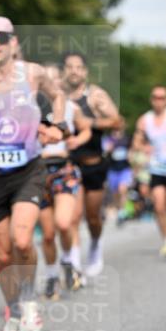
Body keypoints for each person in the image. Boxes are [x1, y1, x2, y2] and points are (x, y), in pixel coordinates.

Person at [0, 17, 67, 331]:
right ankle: (13, 313)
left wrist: (58, 126)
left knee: (22, 241)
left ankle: (30, 299)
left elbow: (58, 96)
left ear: (14, 42)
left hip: (27, 169)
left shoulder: (33, 73)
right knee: (3, 255)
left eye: (1, 37)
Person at [61, 52, 122, 278]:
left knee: (93, 217)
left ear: (85, 72)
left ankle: (95, 246)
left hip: (94, 163)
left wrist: (91, 122)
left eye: (78, 67)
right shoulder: (58, 96)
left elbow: (117, 121)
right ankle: (75, 265)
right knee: (73, 216)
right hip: (70, 164)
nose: (74, 71)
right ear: (63, 70)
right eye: (70, 67)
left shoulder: (95, 95)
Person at [38, 68, 91, 298]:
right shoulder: (30, 108)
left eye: (55, 79)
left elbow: (85, 129)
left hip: (63, 169)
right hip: (38, 172)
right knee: (48, 234)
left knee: (63, 222)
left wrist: (76, 140)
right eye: (46, 80)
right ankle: (52, 276)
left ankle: (68, 260)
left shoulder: (71, 107)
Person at [133, 85, 166, 257]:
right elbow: (136, 141)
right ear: (151, 100)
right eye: (155, 97)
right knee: (159, 206)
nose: (158, 101)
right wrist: (143, 147)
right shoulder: (145, 119)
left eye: (162, 98)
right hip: (156, 168)